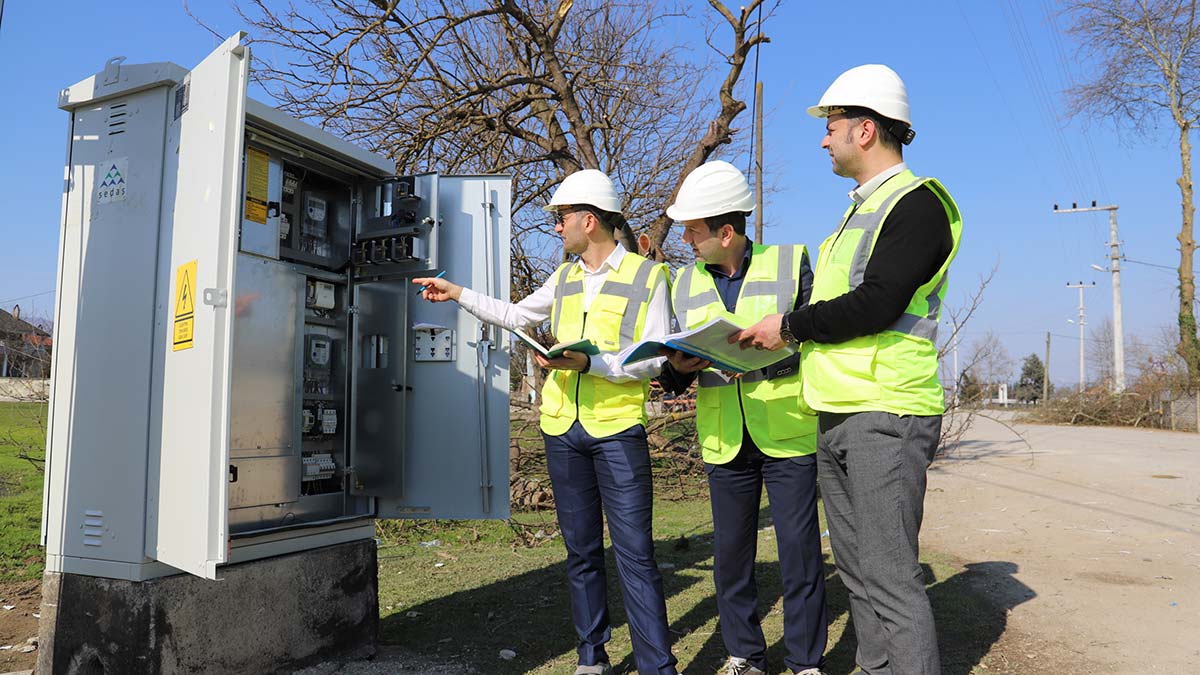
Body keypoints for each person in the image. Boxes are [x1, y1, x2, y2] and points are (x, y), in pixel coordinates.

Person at [734, 64, 962, 675]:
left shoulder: (916, 205)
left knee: (890, 577)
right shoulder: (858, 212)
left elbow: (877, 303)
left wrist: (787, 326)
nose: (823, 140)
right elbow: (835, 312)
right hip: (839, 411)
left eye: (830, 127)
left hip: (887, 410)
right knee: (858, 573)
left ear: (865, 130)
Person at [414, 169, 678, 675]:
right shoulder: (565, 277)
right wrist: (456, 292)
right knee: (580, 552)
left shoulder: (649, 276)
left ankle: (657, 666)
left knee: (636, 555)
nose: (557, 227)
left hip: (617, 431)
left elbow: (654, 359)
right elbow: (516, 316)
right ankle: (591, 657)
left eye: (562, 218)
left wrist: (590, 364)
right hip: (562, 430)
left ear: (589, 220)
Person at [657, 161, 827, 675]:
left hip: (787, 429)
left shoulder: (790, 262)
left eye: (693, 230)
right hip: (724, 436)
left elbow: (820, 340)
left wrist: (774, 348)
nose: (685, 240)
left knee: (799, 556)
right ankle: (745, 655)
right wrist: (677, 368)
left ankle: (805, 663)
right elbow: (673, 373)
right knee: (731, 558)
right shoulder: (681, 282)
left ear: (726, 232)